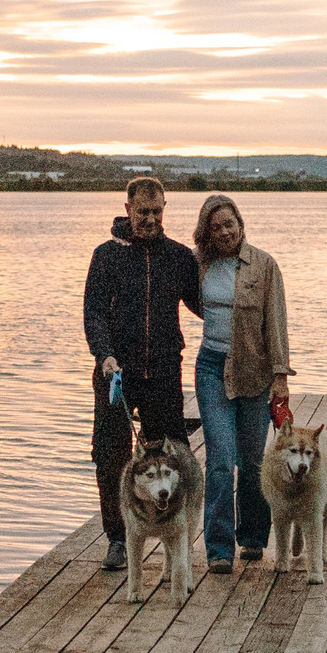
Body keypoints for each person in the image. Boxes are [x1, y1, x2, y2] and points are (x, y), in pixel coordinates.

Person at [83, 176, 202, 572]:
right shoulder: (107, 256)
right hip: (116, 373)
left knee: (175, 452)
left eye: (156, 211)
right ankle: (118, 538)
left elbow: (205, 305)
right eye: (142, 211)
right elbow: (94, 313)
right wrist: (104, 355)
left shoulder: (179, 257)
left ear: (164, 209)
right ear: (127, 209)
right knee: (111, 454)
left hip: (164, 371)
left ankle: (175, 536)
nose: (150, 219)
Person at [190, 193, 293, 568]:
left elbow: (276, 323)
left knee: (251, 461)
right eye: (215, 227)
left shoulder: (264, 265)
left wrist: (280, 377)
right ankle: (218, 549)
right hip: (211, 367)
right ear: (206, 232)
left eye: (229, 224)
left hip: (254, 370)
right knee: (219, 458)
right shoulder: (198, 264)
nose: (224, 232)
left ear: (240, 224)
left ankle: (251, 536)